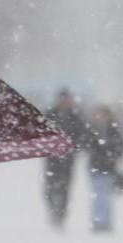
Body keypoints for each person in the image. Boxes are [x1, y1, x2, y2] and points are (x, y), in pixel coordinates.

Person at [42, 89, 90, 228]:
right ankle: (52, 210)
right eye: (62, 99)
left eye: (67, 99)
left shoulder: (76, 116)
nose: (64, 102)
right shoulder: (50, 114)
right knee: (50, 187)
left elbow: (83, 136)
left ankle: (61, 214)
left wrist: (74, 146)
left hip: (68, 159)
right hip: (52, 158)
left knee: (65, 187)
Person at [86, 105, 123, 233]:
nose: (100, 117)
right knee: (98, 196)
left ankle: (106, 222)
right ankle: (98, 221)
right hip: (95, 168)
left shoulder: (114, 130)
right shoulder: (92, 130)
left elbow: (120, 147)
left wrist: (113, 156)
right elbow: (87, 145)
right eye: (98, 115)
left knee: (106, 197)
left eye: (103, 115)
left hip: (109, 169)